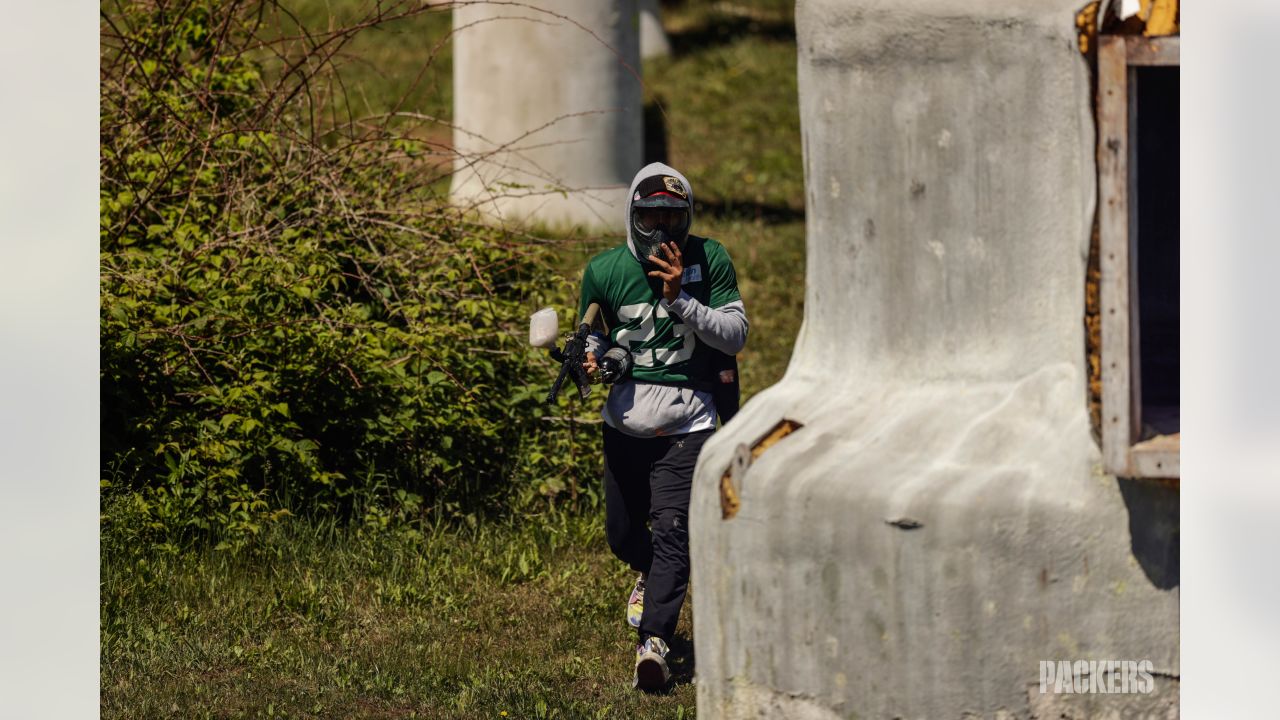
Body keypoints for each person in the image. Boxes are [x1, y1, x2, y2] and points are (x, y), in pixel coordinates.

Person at [577, 162, 748, 690]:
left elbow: (735, 335)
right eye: (649, 218)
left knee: (674, 531)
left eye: (673, 219)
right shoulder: (603, 270)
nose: (661, 232)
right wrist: (591, 357)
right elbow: (593, 333)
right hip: (624, 421)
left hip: (688, 421)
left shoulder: (709, 257)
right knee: (624, 536)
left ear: (687, 217)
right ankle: (648, 574)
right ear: (632, 216)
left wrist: (681, 299)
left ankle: (653, 642)